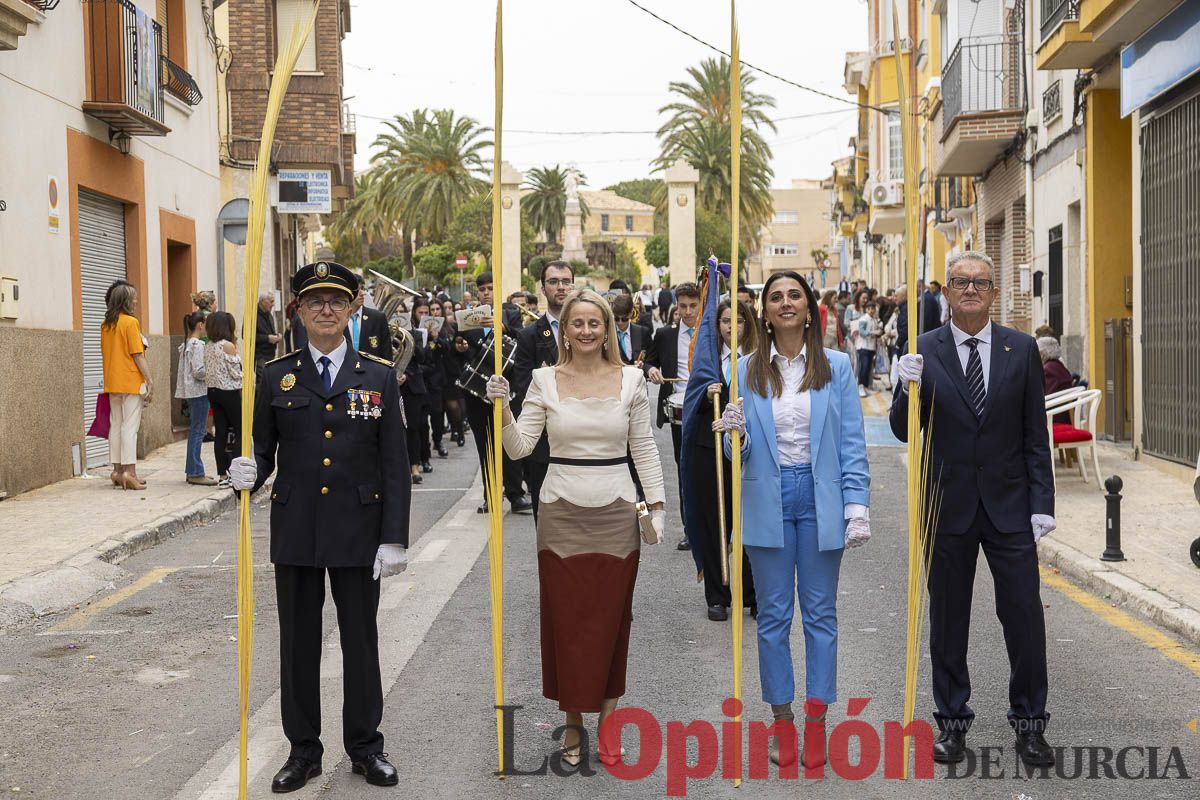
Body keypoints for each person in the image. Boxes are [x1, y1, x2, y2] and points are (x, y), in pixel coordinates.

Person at [227, 261, 410, 792]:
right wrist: (247, 472)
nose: (326, 309)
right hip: (298, 529)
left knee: (361, 641)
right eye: (315, 301)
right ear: (299, 312)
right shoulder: (274, 376)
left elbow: (394, 462)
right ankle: (303, 751)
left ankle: (365, 747)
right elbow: (261, 452)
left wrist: (394, 537)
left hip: (359, 527)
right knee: (298, 646)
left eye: (336, 300)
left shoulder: (376, 376)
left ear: (353, 307)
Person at [486, 288, 666, 767]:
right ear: (563, 329)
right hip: (560, 511)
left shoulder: (631, 380)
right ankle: (572, 726)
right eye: (577, 323)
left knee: (612, 622)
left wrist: (659, 504)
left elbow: (644, 447)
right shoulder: (543, 380)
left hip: (617, 512)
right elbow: (521, 447)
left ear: (608, 328)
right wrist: (501, 407)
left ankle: (608, 726)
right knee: (566, 625)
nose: (586, 331)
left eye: (595, 323)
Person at [890, 251, 1056, 768]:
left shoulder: (1021, 349)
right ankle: (952, 724)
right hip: (947, 504)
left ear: (993, 292)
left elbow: (1035, 434)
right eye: (959, 281)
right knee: (947, 622)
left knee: (1025, 619)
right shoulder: (924, 349)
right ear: (946, 292)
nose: (969, 290)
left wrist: (1041, 503)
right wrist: (903, 387)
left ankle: (1030, 724)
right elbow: (903, 430)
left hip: (1009, 507)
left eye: (980, 283)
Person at [714, 270, 871, 768]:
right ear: (764, 310)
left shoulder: (838, 367)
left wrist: (857, 505)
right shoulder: (743, 369)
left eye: (794, 296)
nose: (785, 303)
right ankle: (782, 720)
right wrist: (732, 433)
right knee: (774, 617)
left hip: (820, 498)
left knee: (821, 616)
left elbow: (851, 443)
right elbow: (733, 451)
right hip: (767, 498)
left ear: (808, 308)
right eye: (775, 297)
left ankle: (818, 720)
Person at [690, 298, 758, 621]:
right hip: (710, 451)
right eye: (727, 321)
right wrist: (707, 398)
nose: (733, 327)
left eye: (740, 321)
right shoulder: (707, 361)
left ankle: (752, 591)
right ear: (717, 326)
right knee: (715, 520)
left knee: (747, 523)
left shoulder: (759, 360)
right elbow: (692, 406)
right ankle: (717, 594)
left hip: (749, 453)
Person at [455, 272, 532, 514]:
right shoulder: (470, 317)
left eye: (490, 288)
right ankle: (491, 496)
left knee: (509, 443)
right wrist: (459, 346)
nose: (486, 292)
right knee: (485, 445)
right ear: (477, 292)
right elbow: (458, 348)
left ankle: (516, 494)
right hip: (477, 392)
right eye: (482, 289)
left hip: (506, 390)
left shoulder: (511, 313)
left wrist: (503, 327)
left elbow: (523, 340)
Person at [512, 260, 574, 521]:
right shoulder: (528, 336)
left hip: (586, 442)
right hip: (546, 444)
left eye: (565, 281)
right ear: (542, 288)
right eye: (553, 282)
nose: (560, 287)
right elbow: (525, 387)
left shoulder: (591, 328)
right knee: (548, 523)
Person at [646, 282, 702, 550]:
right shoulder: (666, 335)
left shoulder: (710, 333)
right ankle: (690, 530)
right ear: (676, 307)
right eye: (683, 307)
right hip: (680, 410)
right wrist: (652, 371)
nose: (688, 312)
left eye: (693, 306)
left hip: (709, 406)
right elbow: (650, 361)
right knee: (685, 470)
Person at [100, 281, 154, 490]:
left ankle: (116, 471)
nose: (136, 300)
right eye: (133, 297)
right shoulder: (130, 323)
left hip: (113, 381)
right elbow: (138, 355)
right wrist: (149, 379)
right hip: (131, 381)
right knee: (130, 428)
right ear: (125, 301)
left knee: (116, 425)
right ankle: (130, 473)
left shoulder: (106, 325)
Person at [175, 311, 216, 486]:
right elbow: (198, 371)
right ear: (200, 325)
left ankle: (192, 469)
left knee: (195, 430)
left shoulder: (187, 344)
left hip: (191, 392)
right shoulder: (198, 345)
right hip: (199, 391)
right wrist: (213, 373)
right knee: (198, 431)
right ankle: (195, 471)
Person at [203, 311, 243, 489]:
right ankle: (236, 471)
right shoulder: (228, 346)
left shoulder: (209, 346)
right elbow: (235, 374)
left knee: (220, 432)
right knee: (240, 430)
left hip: (213, 392)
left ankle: (222, 475)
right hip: (229, 392)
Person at [347, 276, 393, 361]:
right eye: (357, 290)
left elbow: (387, 355)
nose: (363, 293)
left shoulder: (378, 318)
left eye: (363, 288)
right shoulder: (338, 318)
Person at [440, 299, 467, 447]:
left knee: (457, 404)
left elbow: (459, 347)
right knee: (448, 405)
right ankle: (454, 429)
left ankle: (460, 430)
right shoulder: (438, 328)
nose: (448, 310)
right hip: (441, 372)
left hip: (454, 371)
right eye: (446, 308)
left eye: (450, 307)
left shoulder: (454, 328)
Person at [610, 294, 648, 367]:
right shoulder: (608, 334)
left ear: (630, 314)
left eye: (624, 319)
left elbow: (650, 359)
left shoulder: (642, 332)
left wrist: (644, 365)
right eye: (616, 319)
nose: (620, 323)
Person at [855, 301, 882, 396]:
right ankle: (861, 387)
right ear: (866, 309)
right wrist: (873, 333)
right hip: (863, 347)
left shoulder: (874, 320)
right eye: (869, 309)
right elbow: (862, 332)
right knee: (864, 367)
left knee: (868, 368)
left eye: (872, 308)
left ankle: (866, 387)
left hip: (871, 347)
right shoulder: (864, 319)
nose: (871, 311)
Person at [255, 290, 283, 378]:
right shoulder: (252, 315)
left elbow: (269, 332)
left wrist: (276, 336)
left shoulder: (269, 315)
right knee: (263, 381)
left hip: (270, 355)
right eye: (271, 301)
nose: (273, 304)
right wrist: (267, 338)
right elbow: (247, 337)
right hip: (259, 356)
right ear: (262, 301)